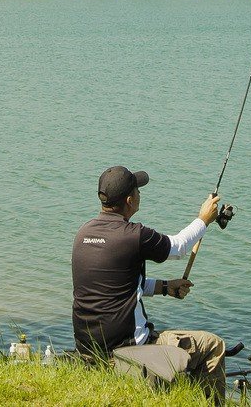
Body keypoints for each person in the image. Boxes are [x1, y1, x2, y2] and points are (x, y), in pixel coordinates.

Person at [72, 165, 227, 400]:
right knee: (213, 346)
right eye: (138, 191)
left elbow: (120, 287)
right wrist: (204, 219)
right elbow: (178, 248)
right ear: (130, 200)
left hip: (88, 351)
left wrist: (165, 287)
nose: (139, 195)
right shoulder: (133, 235)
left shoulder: (83, 234)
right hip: (124, 353)